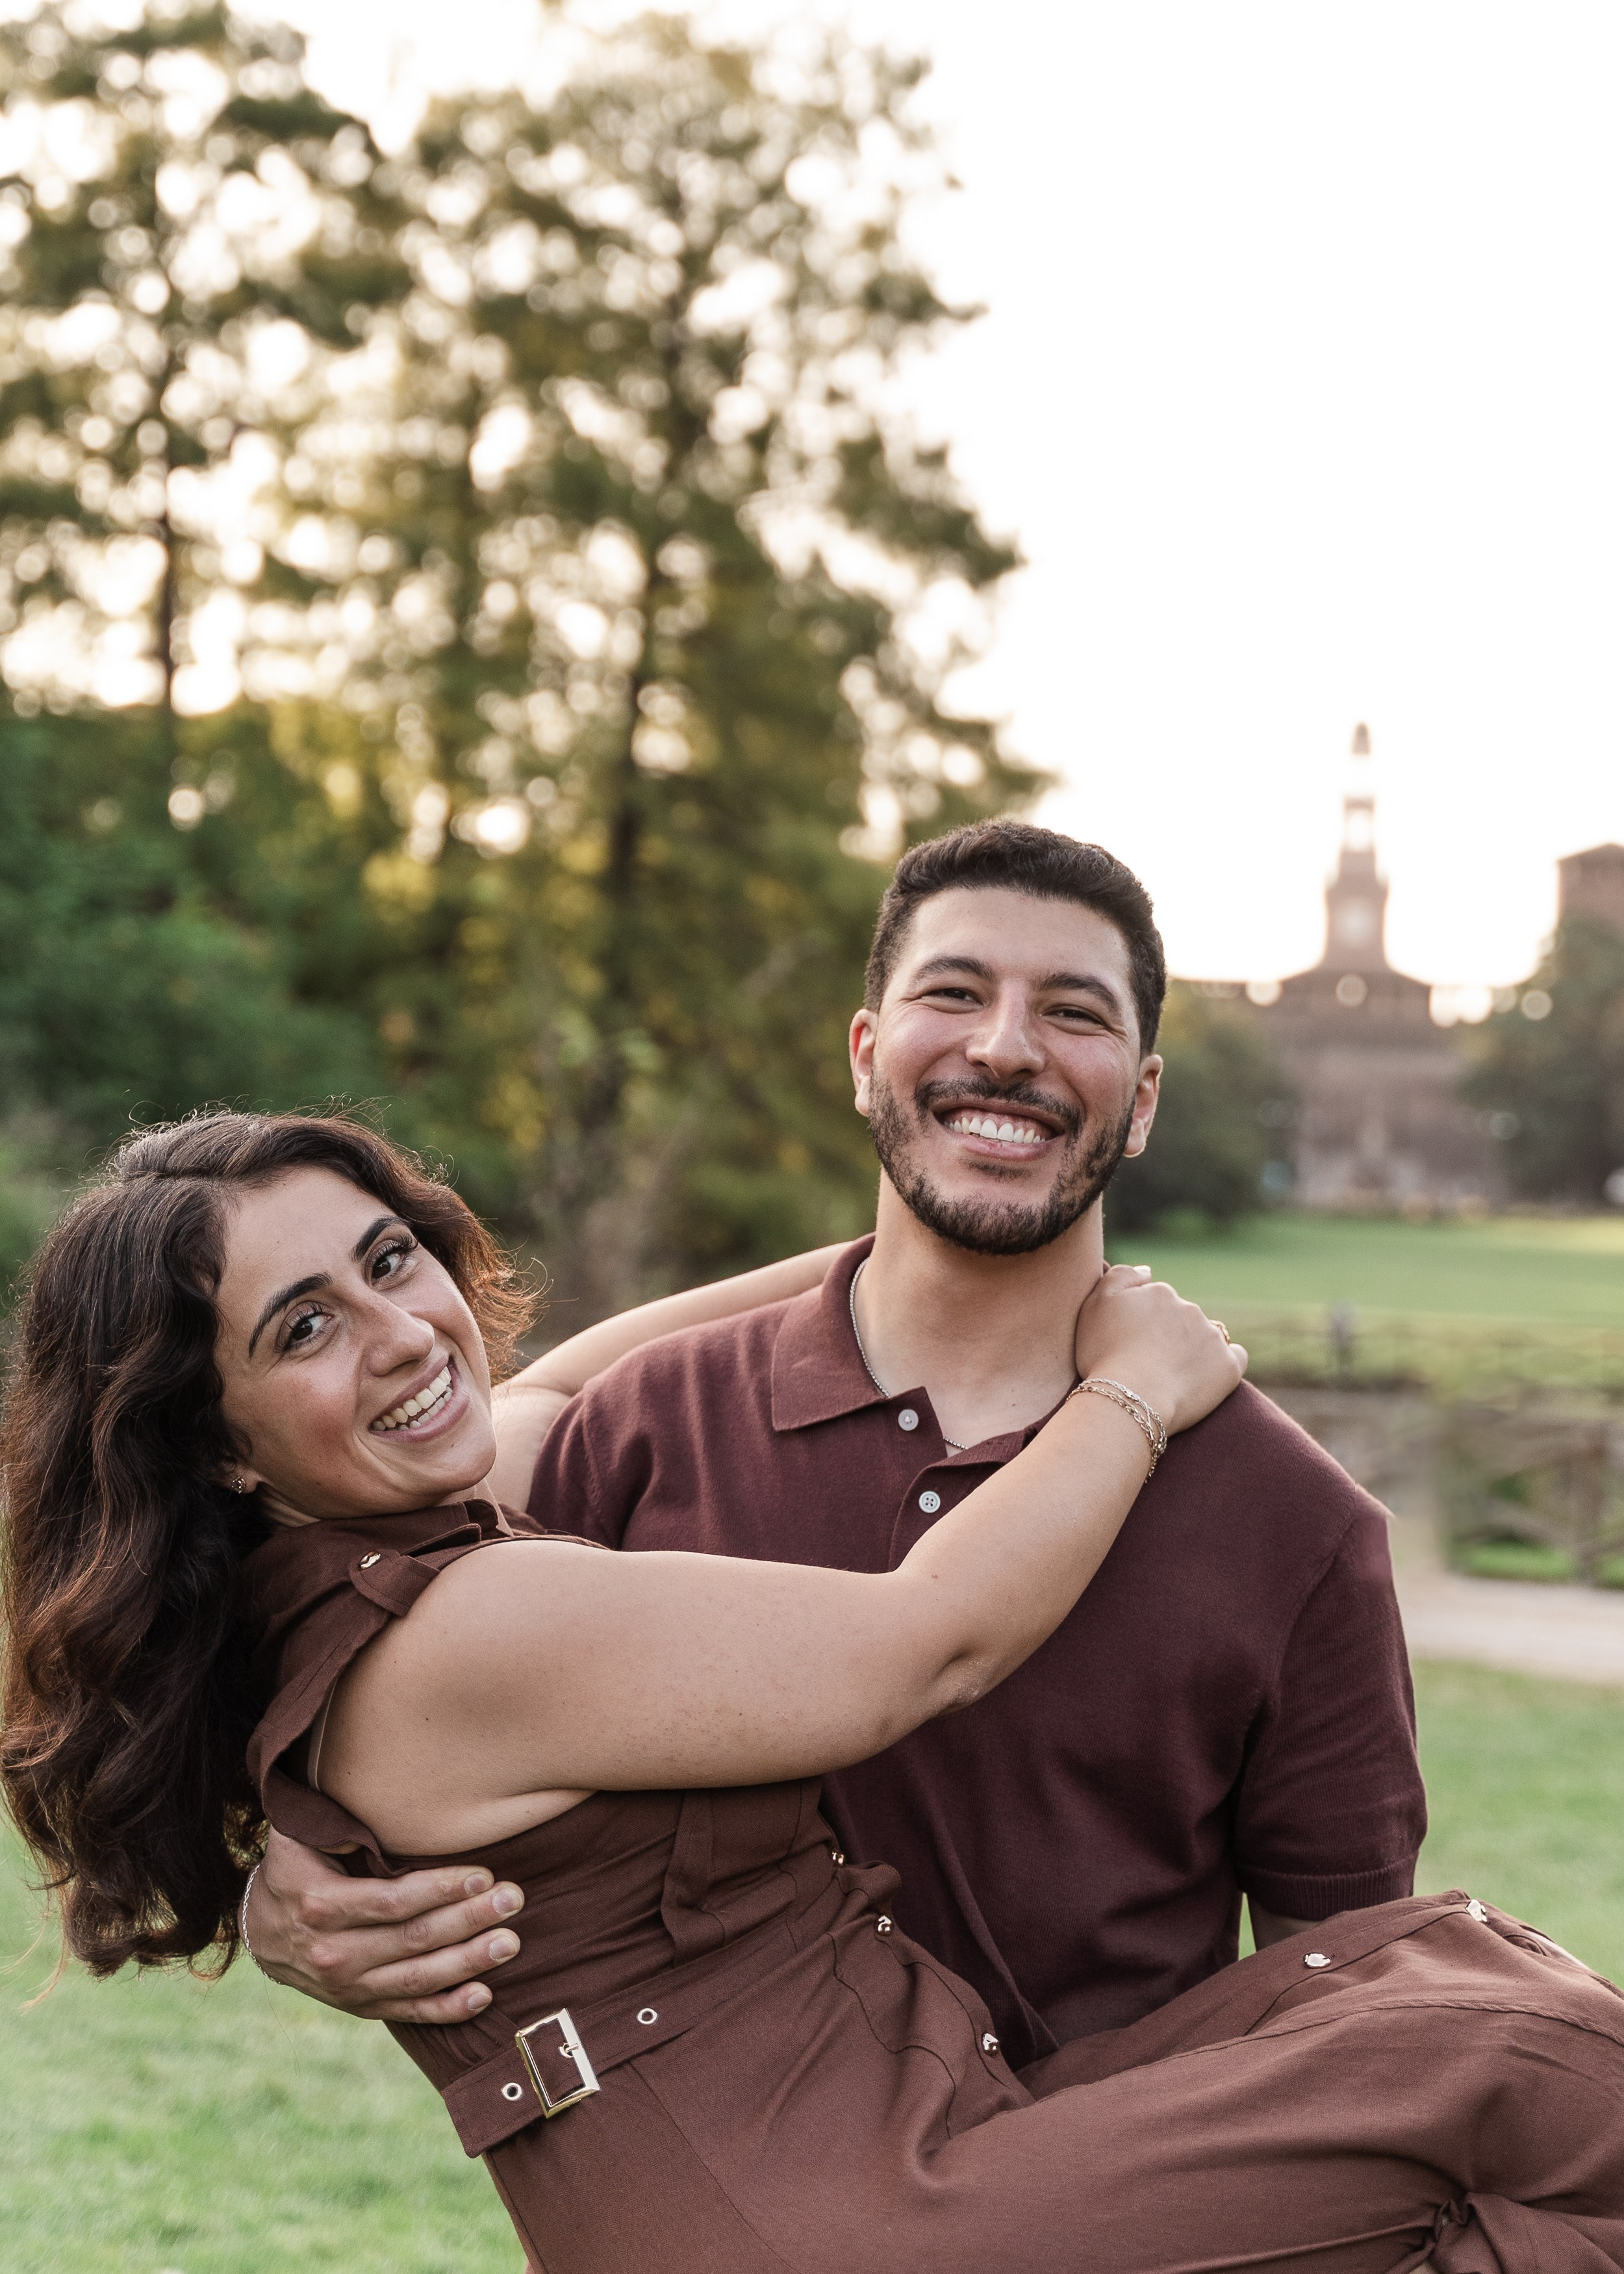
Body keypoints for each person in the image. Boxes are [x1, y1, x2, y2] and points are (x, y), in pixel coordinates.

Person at [5, 1110, 1624, 2274]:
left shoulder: (366, 1550)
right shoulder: (472, 1623)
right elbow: (928, 1642)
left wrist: (915, 1265)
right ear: (216, 1442)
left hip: (857, 2146)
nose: (402, 1332)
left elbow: (562, 1374)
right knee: (1532, 2070)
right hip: (816, 2219)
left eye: (392, 1258)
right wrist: (1137, 1382)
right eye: (304, 1326)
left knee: (1413, 1974)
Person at [250, 823, 1425, 2063]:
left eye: (1073, 1012)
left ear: (1140, 1105)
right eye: (953, 993)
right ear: (866, 1057)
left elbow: (1338, 2022)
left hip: (1113, 2182)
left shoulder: (1298, 1523)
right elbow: (355, 1657)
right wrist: (284, 1867)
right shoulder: (638, 1428)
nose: (1006, 1046)